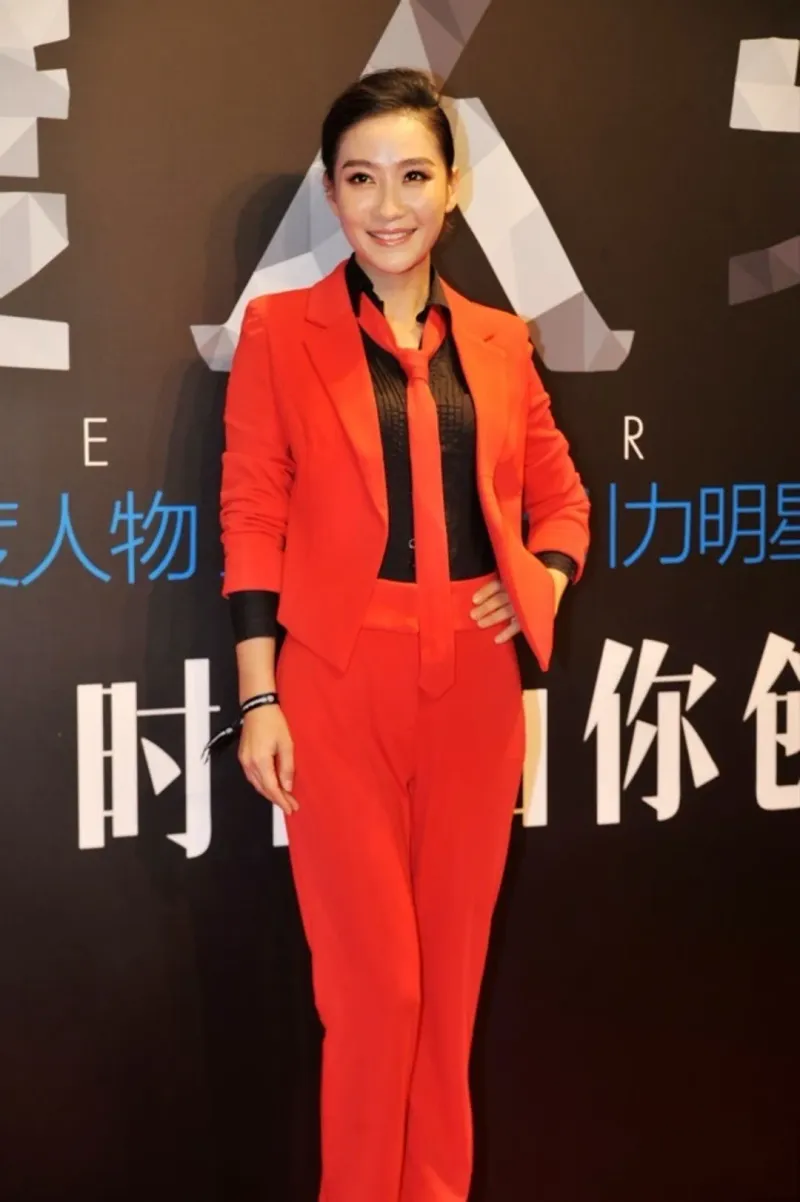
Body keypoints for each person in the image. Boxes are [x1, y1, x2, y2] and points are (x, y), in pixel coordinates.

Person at [217, 66, 590, 1202]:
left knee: (449, 995)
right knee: (376, 993)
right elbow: (252, 517)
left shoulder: (499, 339)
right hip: (335, 684)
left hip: (475, 689)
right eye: (362, 178)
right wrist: (258, 696)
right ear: (331, 192)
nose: (390, 205)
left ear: (452, 186)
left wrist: (535, 583)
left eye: (414, 176)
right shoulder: (280, 331)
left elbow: (562, 501)